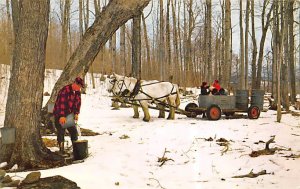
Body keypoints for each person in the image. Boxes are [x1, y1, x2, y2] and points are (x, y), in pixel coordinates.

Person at [53, 77, 85, 153]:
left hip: (68, 115)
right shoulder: (65, 90)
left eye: (80, 87)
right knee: (61, 132)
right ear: (75, 83)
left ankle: (76, 150)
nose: (79, 88)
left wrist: (76, 113)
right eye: (79, 86)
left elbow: (78, 103)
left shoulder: (77, 92)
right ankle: (61, 150)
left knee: (73, 131)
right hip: (60, 114)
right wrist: (62, 116)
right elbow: (61, 104)